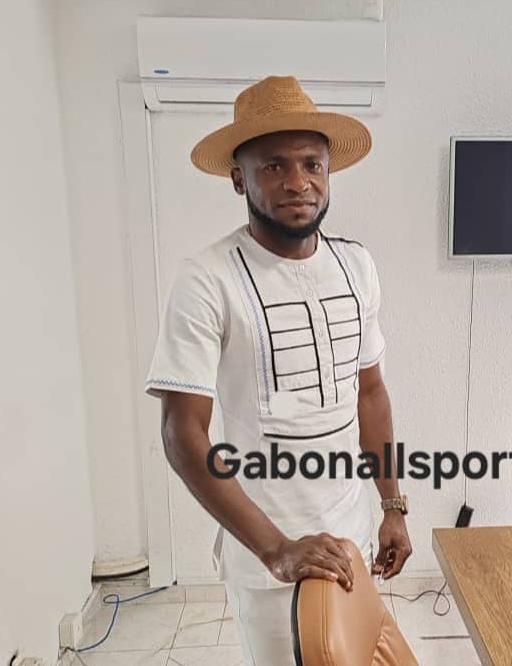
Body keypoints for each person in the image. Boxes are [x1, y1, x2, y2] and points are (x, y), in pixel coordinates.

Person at [144, 75, 412, 665]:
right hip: (270, 561)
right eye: (273, 166)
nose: (298, 182)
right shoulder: (207, 279)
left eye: (312, 164)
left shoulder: (356, 266)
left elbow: (369, 394)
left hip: (350, 539)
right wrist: (278, 550)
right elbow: (182, 434)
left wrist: (392, 506)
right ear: (238, 178)